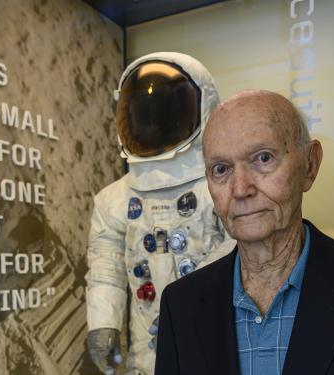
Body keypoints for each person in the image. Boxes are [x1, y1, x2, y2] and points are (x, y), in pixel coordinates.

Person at [154, 90, 334, 375]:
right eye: (221, 169)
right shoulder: (181, 305)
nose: (241, 189)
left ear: (310, 164)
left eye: (263, 158)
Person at [85, 52, 235, 375]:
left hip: (213, 338)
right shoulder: (114, 199)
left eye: (167, 111)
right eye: (144, 113)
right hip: (145, 354)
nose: (154, 123)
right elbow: (105, 268)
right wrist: (102, 323)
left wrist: (187, 300)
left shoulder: (221, 185)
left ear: (202, 107)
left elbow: (239, 249)